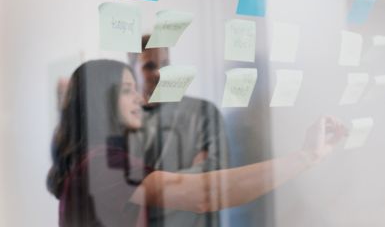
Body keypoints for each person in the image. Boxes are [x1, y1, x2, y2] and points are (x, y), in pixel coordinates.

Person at [47, 59, 347, 227]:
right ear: (103, 100)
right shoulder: (102, 165)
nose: (139, 97)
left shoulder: (98, 161)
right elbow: (205, 195)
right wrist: (307, 156)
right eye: (128, 90)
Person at [128, 35, 229, 227]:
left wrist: (151, 187)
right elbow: (124, 190)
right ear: (131, 72)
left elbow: (217, 178)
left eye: (165, 64)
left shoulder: (203, 113)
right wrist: (192, 176)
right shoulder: (123, 124)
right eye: (149, 66)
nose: (159, 73)